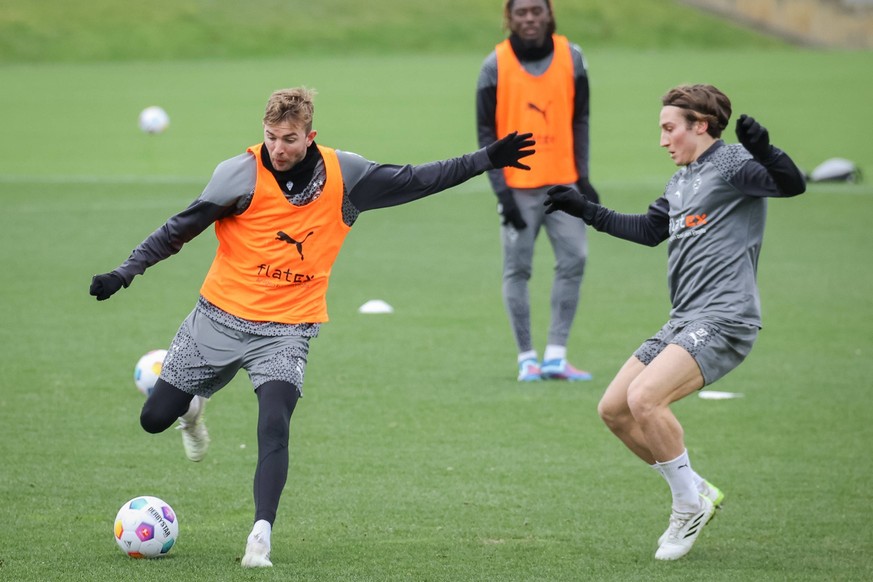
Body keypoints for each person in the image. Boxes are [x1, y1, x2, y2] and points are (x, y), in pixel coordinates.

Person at [90, 87, 535, 568]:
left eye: (289, 139)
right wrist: (125, 271)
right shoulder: (239, 174)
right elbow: (178, 229)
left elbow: (419, 179)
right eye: (270, 137)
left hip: (288, 326)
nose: (278, 149)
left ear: (310, 136)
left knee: (274, 423)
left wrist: (487, 158)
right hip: (217, 315)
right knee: (154, 418)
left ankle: (260, 536)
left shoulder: (348, 175)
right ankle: (192, 406)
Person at [544, 84, 806, 560]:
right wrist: (585, 209)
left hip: (726, 317)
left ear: (699, 126)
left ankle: (687, 505)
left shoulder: (731, 166)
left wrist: (766, 149)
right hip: (685, 317)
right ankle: (694, 488)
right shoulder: (682, 179)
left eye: (669, 129)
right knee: (615, 409)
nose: (663, 140)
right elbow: (649, 231)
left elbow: (791, 184)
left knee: (645, 398)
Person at [476, 0, 598, 382]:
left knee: (575, 259)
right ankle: (527, 358)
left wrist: (583, 177)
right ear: (508, 18)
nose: (529, 18)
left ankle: (556, 357)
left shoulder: (573, 57)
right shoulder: (494, 65)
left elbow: (580, 119)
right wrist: (501, 192)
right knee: (518, 270)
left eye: (536, 10)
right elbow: (486, 133)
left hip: (564, 185)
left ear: (549, 14)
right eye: (521, 12)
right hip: (517, 189)